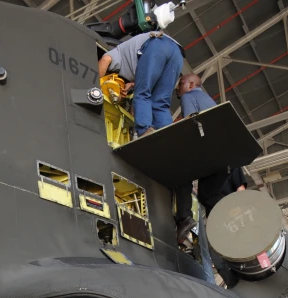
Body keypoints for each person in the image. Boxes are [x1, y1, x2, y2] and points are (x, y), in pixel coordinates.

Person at [174, 74, 247, 248]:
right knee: (209, 196)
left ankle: (184, 218)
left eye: (181, 84)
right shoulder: (209, 100)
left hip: (209, 152)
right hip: (225, 158)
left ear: (191, 84)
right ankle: (231, 233)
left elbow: (191, 123)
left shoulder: (189, 96)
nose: (178, 88)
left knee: (180, 173)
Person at [99, 31, 184, 138]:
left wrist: (95, 84)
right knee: (161, 103)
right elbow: (148, 75)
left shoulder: (117, 53)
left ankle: (145, 131)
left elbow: (105, 59)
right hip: (177, 53)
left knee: (142, 93)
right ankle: (168, 138)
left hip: (156, 44)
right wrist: (132, 84)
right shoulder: (130, 60)